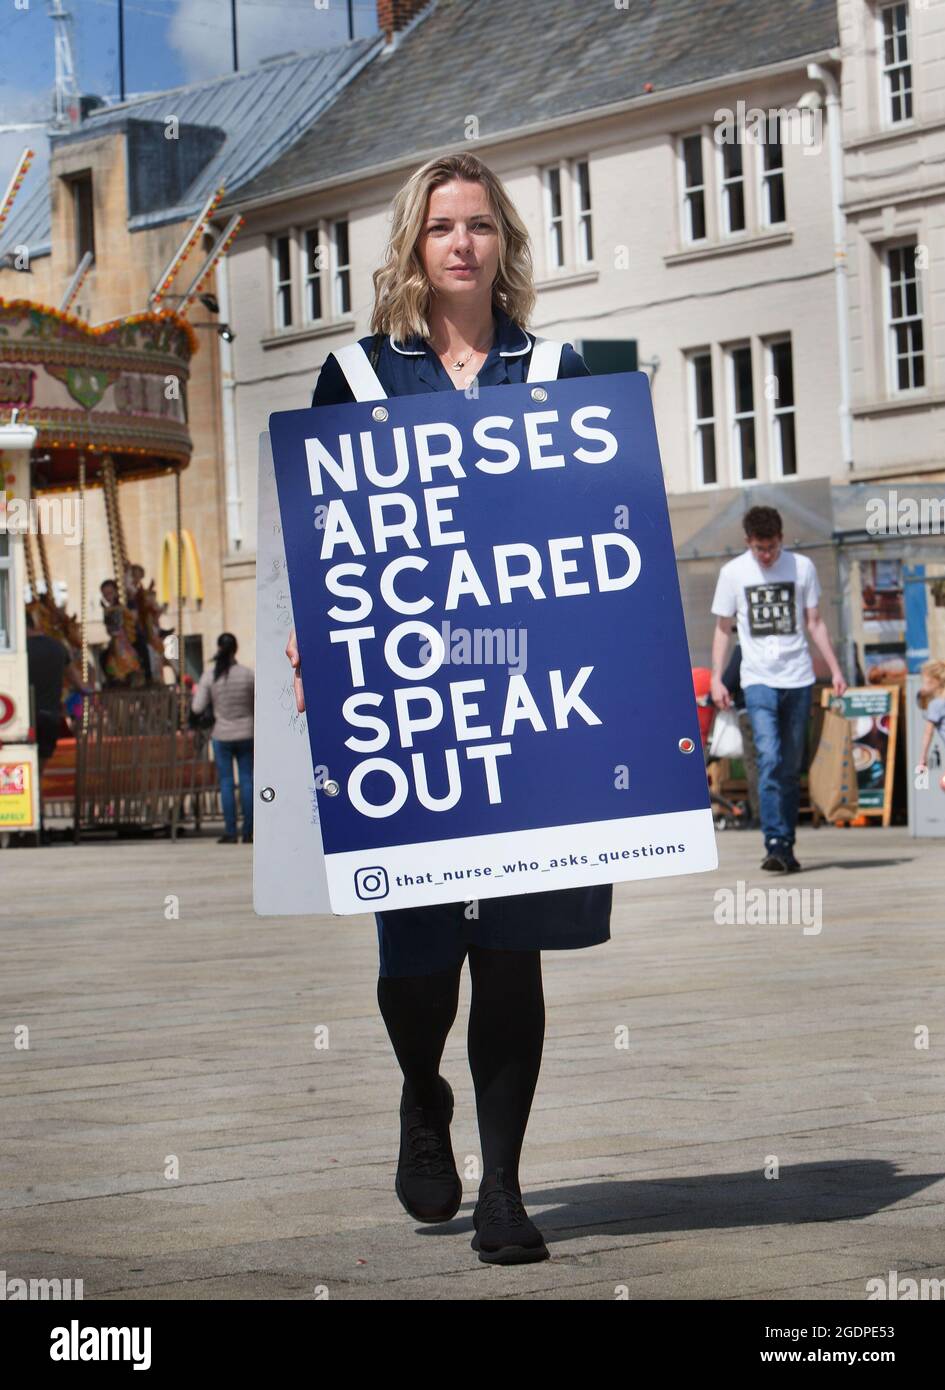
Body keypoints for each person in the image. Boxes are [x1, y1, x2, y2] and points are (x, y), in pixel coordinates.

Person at [284, 152, 613, 1266]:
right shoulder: (357, 377)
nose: (461, 243)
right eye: (440, 227)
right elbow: (328, 534)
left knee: (510, 950)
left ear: (503, 241)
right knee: (420, 955)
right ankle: (424, 1093)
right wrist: (313, 646)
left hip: (530, 697)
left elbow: (594, 532)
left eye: (478, 224)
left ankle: (508, 1189)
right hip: (411, 694)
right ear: (413, 247)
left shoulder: (559, 367)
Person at [710, 505, 847, 873]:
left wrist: (835, 670)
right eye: (759, 549)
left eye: (771, 548)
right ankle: (773, 839)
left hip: (798, 679)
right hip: (757, 681)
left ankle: (785, 842)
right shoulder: (733, 573)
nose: (766, 556)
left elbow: (814, 622)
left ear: (781, 540)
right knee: (768, 758)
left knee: (789, 766)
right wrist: (716, 678)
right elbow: (723, 629)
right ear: (747, 543)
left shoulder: (802, 568)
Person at [192, 633, 255, 844]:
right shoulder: (247, 675)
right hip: (247, 732)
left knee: (226, 783)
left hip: (221, 734)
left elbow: (197, 707)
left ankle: (230, 831)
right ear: (236, 649)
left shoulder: (210, 676)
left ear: (219, 648)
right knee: (247, 781)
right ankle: (248, 831)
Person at [720, 643, 760, 828]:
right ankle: (782, 812)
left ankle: (760, 814)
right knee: (775, 760)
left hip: (749, 710)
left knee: (754, 763)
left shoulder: (744, 645)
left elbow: (729, 680)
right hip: (780, 708)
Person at [26, 605, 67, 773]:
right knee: (39, 770)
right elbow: (77, 680)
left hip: (26, 718)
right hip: (50, 716)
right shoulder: (58, 647)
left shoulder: (20, 651)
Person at [916, 659, 945, 771]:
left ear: (936, 681)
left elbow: (928, 732)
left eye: (924, 681)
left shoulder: (936, 704)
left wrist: (922, 758)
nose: (922, 686)